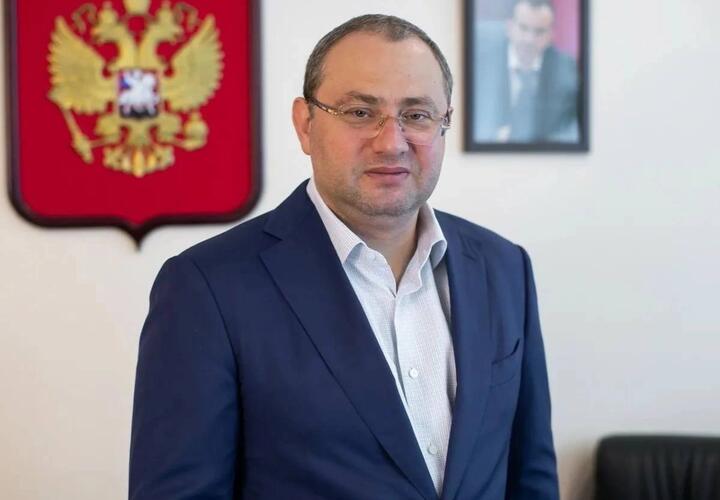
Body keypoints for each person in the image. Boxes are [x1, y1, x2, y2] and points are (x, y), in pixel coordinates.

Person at [129, 14, 559, 500]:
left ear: (444, 123)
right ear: (305, 124)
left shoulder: (504, 269)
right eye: (359, 112)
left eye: (417, 115)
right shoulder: (207, 288)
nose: (391, 142)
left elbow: (532, 477)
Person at [473, 0, 579, 143]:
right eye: (523, 28)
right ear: (509, 27)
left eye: (539, 31)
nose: (529, 39)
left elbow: (571, 130)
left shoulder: (568, 71)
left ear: (551, 35)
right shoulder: (482, 63)